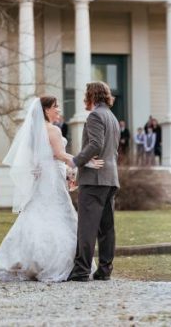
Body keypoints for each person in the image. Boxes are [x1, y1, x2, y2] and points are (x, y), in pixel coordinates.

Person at [0, 96, 103, 282]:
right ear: (46, 110)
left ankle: (23, 260)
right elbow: (59, 154)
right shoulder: (53, 130)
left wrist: (65, 171)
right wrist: (85, 162)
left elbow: (42, 158)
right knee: (57, 215)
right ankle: (54, 263)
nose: (58, 110)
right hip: (52, 178)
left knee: (35, 212)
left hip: (43, 177)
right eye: (55, 107)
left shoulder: (35, 132)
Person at [68, 81, 121, 282]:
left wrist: (76, 162)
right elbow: (112, 150)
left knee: (87, 227)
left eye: (85, 94)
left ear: (91, 95)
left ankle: (81, 271)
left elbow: (96, 144)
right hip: (110, 178)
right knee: (106, 228)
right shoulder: (113, 117)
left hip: (95, 180)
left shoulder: (95, 116)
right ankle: (105, 270)